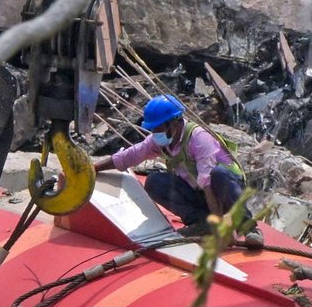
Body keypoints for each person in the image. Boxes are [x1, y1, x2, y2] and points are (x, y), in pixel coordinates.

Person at [93, 95, 250, 236]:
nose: (155, 133)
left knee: (218, 174)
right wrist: (94, 169)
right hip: (201, 192)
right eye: (153, 129)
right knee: (155, 182)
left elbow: (207, 183)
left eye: (158, 128)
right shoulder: (160, 141)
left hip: (225, 191)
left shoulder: (199, 139)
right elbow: (129, 156)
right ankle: (202, 223)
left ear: (174, 123)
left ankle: (249, 228)